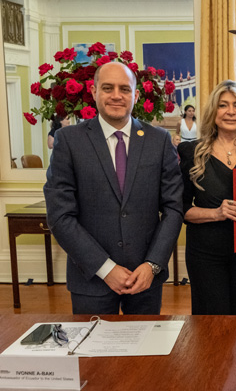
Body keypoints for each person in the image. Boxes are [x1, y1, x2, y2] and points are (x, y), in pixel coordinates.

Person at [43, 62, 183, 315]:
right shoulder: (69, 141)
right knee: (93, 354)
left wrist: (152, 265)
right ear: (94, 91)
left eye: (124, 89)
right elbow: (60, 215)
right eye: (107, 88)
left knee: (145, 352)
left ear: (136, 95)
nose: (116, 95)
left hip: (145, 279)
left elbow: (174, 208)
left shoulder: (159, 140)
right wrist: (106, 268)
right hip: (91, 279)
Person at [178, 80, 236, 315]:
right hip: (205, 254)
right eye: (223, 105)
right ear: (213, 111)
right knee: (211, 325)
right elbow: (181, 209)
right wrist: (216, 213)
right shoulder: (191, 152)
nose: (231, 111)